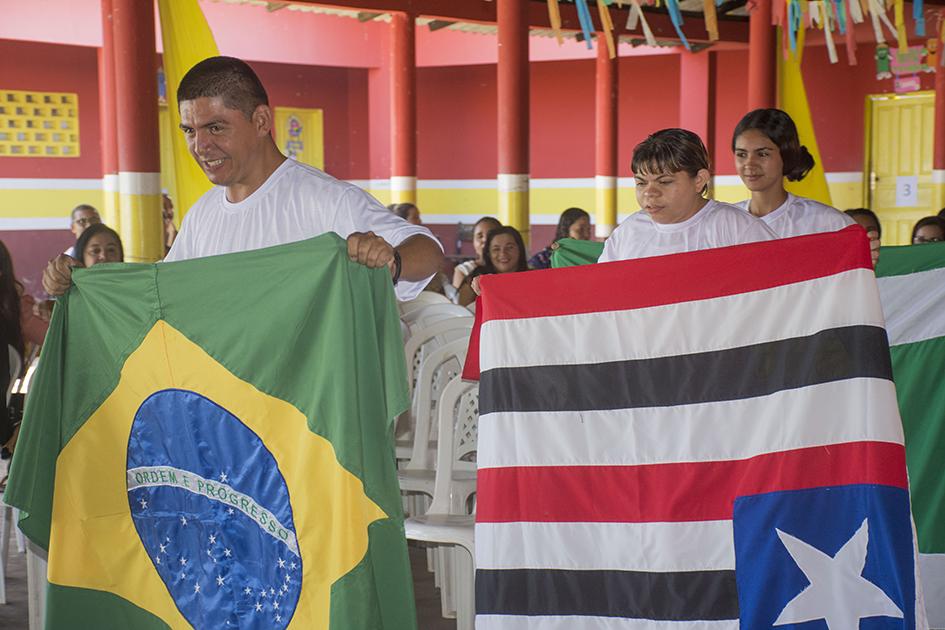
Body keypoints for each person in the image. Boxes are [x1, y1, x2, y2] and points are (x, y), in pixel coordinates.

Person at [43, 56, 443, 301]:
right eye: (189, 131)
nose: (200, 146)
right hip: (229, 419)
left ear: (262, 121)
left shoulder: (325, 199)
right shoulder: (201, 216)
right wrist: (84, 286)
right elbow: (161, 292)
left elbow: (428, 250)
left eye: (216, 128)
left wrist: (391, 259)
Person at [599, 128, 775, 263]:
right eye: (641, 183)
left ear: (699, 180)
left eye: (664, 181)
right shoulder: (628, 233)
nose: (649, 193)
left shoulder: (737, 228)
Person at [731, 109, 856, 235]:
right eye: (741, 154)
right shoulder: (726, 222)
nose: (749, 164)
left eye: (762, 154)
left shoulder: (827, 223)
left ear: (786, 155)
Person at [458, 226, 528, 306]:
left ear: (520, 250)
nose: (503, 254)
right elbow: (463, 315)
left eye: (510, 247)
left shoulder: (532, 280)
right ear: (488, 253)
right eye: (496, 249)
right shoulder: (474, 282)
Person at [452, 216, 502, 288]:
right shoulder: (464, 270)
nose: (485, 240)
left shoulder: (508, 266)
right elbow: (459, 298)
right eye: (480, 236)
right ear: (473, 242)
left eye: (490, 235)